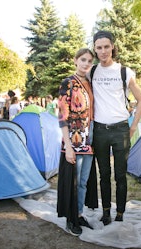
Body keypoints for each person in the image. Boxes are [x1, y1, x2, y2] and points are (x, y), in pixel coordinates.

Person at [90, 30, 141, 225]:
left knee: (120, 175)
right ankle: (106, 211)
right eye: (99, 47)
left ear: (112, 46)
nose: (103, 51)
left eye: (106, 46)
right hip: (99, 131)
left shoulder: (124, 71)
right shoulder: (92, 71)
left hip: (121, 130)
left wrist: (132, 128)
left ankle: (120, 212)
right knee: (103, 175)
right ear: (95, 49)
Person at [57, 48, 95, 236]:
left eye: (89, 61)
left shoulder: (90, 83)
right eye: (83, 60)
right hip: (73, 137)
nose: (86, 63)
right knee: (74, 180)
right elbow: (62, 115)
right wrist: (68, 146)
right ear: (75, 61)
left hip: (89, 137)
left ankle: (79, 213)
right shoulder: (68, 83)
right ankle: (70, 218)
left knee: (83, 181)